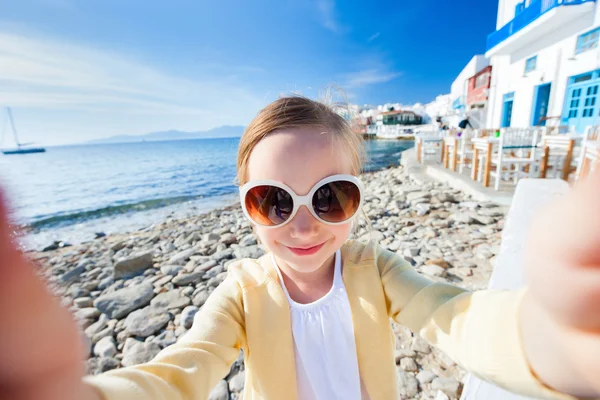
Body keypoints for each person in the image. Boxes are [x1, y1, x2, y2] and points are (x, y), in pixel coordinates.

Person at [1, 96, 600, 400]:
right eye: (275, 201)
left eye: (331, 196)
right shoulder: (242, 292)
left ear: (359, 196)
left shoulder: (375, 271)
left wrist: (548, 337)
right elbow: (184, 369)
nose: (306, 225)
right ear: (247, 207)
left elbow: (452, 315)